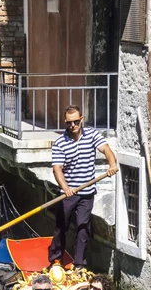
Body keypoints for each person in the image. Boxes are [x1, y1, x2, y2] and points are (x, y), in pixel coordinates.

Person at [48, 105, 118, 269]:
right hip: (68, 194)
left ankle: (79, 263)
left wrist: (112, 164)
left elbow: (106, 149)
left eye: (75, 122)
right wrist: (66, 188)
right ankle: (56, 259)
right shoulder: (60, 143)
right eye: (69, 123)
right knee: (61, 227)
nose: (72, 126)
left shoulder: (92, 134)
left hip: (87, 193)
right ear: (65, 122)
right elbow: (57, 168)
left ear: (81, 120)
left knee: (83, 228)